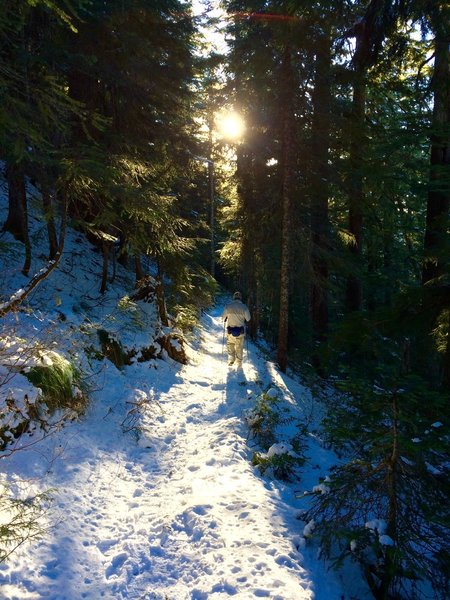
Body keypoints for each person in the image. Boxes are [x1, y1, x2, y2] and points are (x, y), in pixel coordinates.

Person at [222, 291, 251, 368]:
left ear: (233, 298)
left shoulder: (228, 306)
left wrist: (227, 317)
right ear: (240, 298)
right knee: (239, 347)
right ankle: (239, 364)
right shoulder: (244, 307)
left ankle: (231, 360)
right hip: (240, 331)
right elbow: (248, 319)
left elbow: (223, 318)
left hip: (230, 331)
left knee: (230, 345)